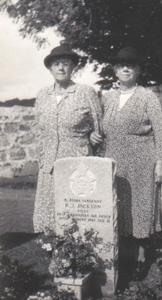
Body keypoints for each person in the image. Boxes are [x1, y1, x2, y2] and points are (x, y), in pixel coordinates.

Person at [101, 47, 162, 278]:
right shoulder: (108, 98)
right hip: (114, 160)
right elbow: (100, 129)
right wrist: (94, 135)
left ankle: (141, 258)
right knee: (118, 207)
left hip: (142, 159)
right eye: (121, 66)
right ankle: (121, 255)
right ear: (115, 71)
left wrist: (160, 162)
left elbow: (161, 131)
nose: (126, 69)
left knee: (140, 207)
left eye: (130, 65)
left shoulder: (147, 97)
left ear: (138, 70)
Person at [33, 43, 102, 233]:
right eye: (56, 64)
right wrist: (41, 154)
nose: (61, 68)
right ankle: (54, 252)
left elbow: (99, 127)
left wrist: (91, 136)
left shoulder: (85, 92)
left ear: (73, 67)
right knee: (49, 212)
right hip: (49, 163)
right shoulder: (42, 95)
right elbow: (39, 128)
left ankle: (78, 255)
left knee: (76, 211)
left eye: (65, 63)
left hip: (76, 161)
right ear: (50, 69)